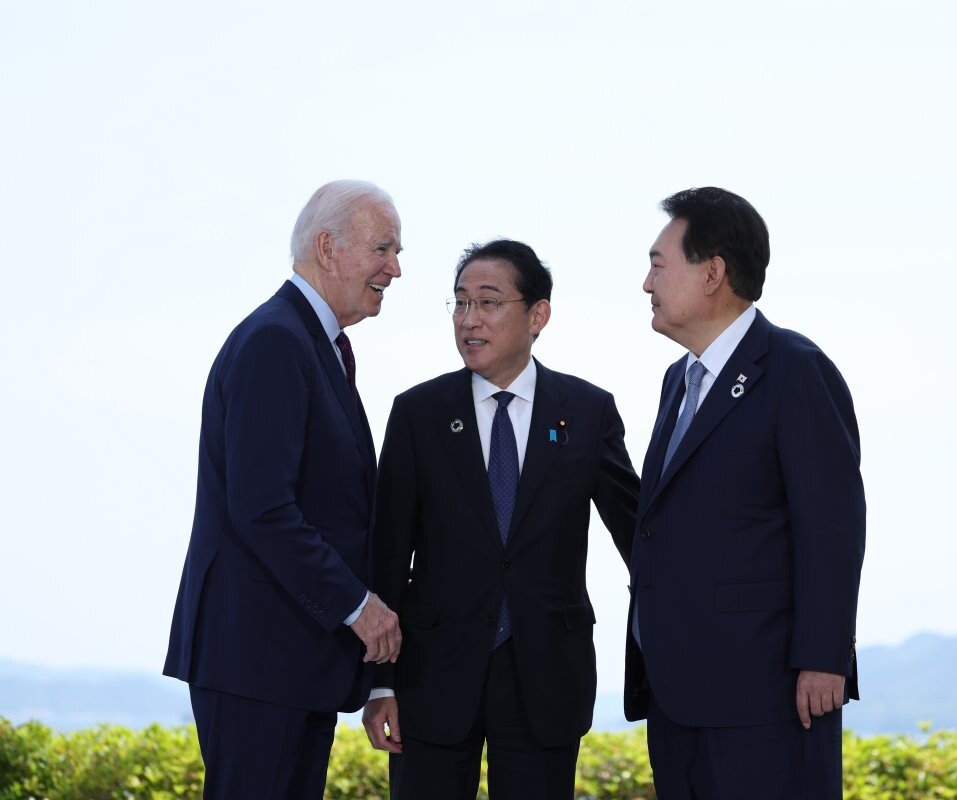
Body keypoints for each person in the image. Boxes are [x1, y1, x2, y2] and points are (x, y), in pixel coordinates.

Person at [363, 239, 639, 800]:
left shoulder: (588, 412)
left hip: (547, 673)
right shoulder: (418, 412)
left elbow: (638, 534)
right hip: (432, 676)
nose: (469, 320)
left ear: (538, 315)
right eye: (460, 302)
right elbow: (387, 554)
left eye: (488, 302)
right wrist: (379, 683)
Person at [163, 180, 405, 799]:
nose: (394, 270)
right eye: (382, 249)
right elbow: (263, 508)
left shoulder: (312, 343)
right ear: (327, 247)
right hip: (257, 663)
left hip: (292, 664)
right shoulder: (276, 341)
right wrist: (358, 606)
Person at [625, 187, 866, 799]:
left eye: (658, 265)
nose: (646, 284)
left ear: (712, 274)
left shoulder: (794, 368)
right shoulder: (678, 381)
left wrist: (824, 658)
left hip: (766, 694)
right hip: (676, 695)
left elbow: (832, 526)